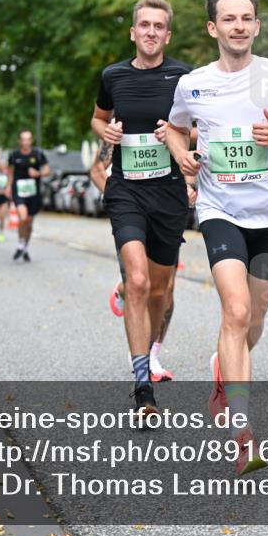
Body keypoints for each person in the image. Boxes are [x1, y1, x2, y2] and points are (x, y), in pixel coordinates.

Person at [164, 0, 268, 474]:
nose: (238, 26)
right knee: (234, 311)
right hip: (219, 211)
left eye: (246, 18)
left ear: (256, 26)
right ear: (213, 28)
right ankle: (243, 433)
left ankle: (222, 370)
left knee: (251, 323)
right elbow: (173, 126)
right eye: (229, 19)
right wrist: (181, 155)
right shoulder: (193, 84)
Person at [90, 0, 194, 415]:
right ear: (133, 32)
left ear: (167, 35)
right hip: (126, 190)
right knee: (136, 280)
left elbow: (200, 130)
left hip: (169, 192)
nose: (150, 32)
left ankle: (150, 349)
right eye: (144, 25)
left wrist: (181, 142)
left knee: (159, 289)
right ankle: (141, 388)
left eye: (159, 27)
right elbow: (97, 118)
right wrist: (107, 133)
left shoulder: (185, 77)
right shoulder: (113, 75)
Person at [89, 138, 193, 383]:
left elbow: (189, 158)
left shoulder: (172, 121)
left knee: (165, 289)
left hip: (165, 211)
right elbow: (96, 170)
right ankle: (127, 290)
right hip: (131, 214)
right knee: (139, 281)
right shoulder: (120, 124)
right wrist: (121, 203)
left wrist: (188, 186)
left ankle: (153, 355)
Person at [6, 130, 50, 262]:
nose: (26, 142)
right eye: (23, 139)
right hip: (19, 191)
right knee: (23, 218)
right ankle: (20, 243)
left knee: (29, 224)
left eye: (28, 139)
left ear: (31, 141)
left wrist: (37, 173)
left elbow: (47, 170)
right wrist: (8, 186)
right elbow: (10, 172)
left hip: (33, 193)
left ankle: (24, 247)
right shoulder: (14, 155)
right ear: (20, 141)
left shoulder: (38, 154)